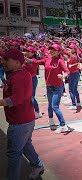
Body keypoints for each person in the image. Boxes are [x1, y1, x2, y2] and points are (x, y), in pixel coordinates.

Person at [0, 49, 44, 180]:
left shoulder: (19, 77)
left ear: (17, 62)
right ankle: (37, 165)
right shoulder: (16, 73)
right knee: (25, 145)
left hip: (20, 122)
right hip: (24, 119)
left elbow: (15, 100)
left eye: (6, 59)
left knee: (14, 153)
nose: (3, 61)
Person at [31, 44, 70, 133]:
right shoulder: (48, 59)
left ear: (59, 52)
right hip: (49, 86)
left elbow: (67, 71)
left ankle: (63, 125)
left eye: (54, 50)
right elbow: (36, 62)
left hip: (57, 87)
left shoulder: (60, 61)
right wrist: (26, 59)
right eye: (51, 49)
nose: (52, 51)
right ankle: (51, 120)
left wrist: (64, 76)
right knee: (50, 104)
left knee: (55, 106)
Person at [23, 46, 43, 119]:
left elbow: (29, 62)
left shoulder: (34, 60)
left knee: (31, 97)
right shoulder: (27, 59)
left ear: (32, 53)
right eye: (26, 51)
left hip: (32, 79)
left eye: (28, 51)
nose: (26, 52)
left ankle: (37, 112)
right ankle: (29, 111)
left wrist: (22, 56)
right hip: (26, 80)